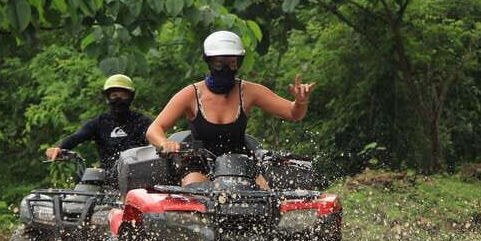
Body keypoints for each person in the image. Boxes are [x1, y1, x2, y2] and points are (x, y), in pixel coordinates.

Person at [146, 31, 315, 186]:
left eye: (232, 63)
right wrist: (164, 143)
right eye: (220, 63)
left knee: (266, 198)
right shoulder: (191, 94)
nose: (226, 68)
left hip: (241, 162)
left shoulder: (248, 91)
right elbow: (154, 129)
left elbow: (293, 114)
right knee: (195, 193)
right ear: (210, 62)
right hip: (199, 164)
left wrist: (300, 102)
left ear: (238, 63)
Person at [45, 74, 153, 175]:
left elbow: (155, 142)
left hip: (138, 179)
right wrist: (59, 148)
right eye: (114, 96)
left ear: (130, 98)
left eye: (123, 96)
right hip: (105, 181)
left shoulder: (143, 122)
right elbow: (77, 137)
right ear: (108, 98)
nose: (118, 100)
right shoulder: (99, 122)